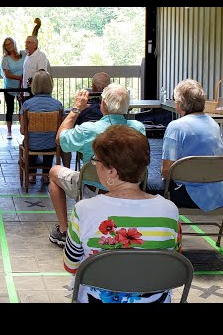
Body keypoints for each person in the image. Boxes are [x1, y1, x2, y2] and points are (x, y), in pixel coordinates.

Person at [64, 125, 182, 303]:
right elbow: (174, 263)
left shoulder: (84, 210)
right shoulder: (170, 210)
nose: (95, 165)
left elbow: (71, 265)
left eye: (96, 161)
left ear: (112, 171)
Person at [48, 84, 146, 248]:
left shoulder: (89, 130)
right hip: (129, 186)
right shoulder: (138, 129)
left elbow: (60, 139)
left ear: (103, 104)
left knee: (54, 172)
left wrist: (76, 109)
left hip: (93, 187)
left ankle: (64, 230)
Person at [161, 79, 223, 211]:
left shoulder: (176, 127)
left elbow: (166, 171)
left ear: (179, 104)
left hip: (187, 194)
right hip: (217, 191)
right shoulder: (214, 124)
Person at [20, 70, 63, 184]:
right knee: (50, 140)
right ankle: (46, 175)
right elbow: (61, 130)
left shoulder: (27, 105)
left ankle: (31, 175)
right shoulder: (57, 105)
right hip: (51, 145)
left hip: (32, 145)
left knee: (29, 141)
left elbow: (22, 131)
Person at [61, 72, 111, 168]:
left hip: (85, 148)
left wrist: (76, 108)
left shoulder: (84, 107)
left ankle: (67, 169)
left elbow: (65, 134)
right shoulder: (113, 110)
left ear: (93, 86)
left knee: (65, 137)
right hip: (110, 151)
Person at [0, 37, 26, 140]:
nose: (9, 46)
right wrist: (19, 77)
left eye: (10, 43)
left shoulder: (23, 54)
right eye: (6, 45)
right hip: (10, 86)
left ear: (14, 43)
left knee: (23, 108)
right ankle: (9, 131)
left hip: (22, 87)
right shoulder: (5, 59)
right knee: (10, 109)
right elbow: (7, 74)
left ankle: (23, 129)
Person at [22, 35, 48, 102]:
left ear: (35, 45)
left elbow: (41, 73)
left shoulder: (41, 55)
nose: (26, 45)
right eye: (25, 42)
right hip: (26, 90)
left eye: (28, 42)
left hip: (36, 92)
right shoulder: (27, 56)